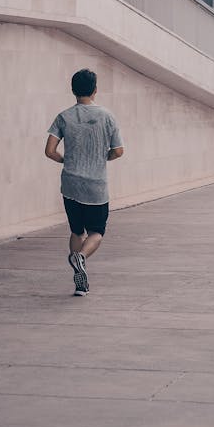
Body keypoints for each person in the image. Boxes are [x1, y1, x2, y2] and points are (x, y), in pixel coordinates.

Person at [45, 69, 124, 295]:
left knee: (76, 231)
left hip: (70, 184)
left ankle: (80, 283)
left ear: (73, 90)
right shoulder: (107, 116)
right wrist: (102, 157)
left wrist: (66, 160)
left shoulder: (63, 116)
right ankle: (80, 257)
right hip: (96, 185)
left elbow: (49, 151)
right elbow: (118, 151)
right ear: (95, 90)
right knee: (97, 231)